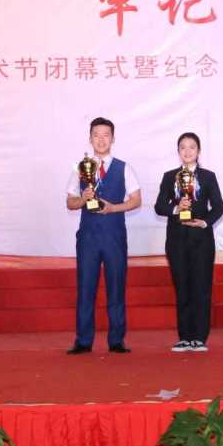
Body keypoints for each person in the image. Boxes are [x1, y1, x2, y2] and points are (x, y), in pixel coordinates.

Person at [66, 117, 142, 354]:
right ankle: (83, 340)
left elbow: (136, 200)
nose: (101, 139)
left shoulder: (124, 168)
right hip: (88, 237)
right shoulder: (80, 168)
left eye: (105, 135)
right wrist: (83, 199)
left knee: (116, 287)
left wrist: (113, 208)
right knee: (85, 288)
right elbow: (70, 202)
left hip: (114, 236)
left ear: (113, 138)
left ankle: (116, 340)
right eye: (96, 135)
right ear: (90, 138)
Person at [155, 132, 223, 352]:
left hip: (202, 241)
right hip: (176, 241)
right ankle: (184, 337)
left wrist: (205, 222)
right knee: (182, 287)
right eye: (183, 147)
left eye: (192, 147)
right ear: (178, 151)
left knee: (201, 288)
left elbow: (219, 207)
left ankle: (200, 338)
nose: (187, 151)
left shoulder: (208, 177)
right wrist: (176, 208)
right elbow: (159, 206)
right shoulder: (169, 176)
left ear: (199, 151)